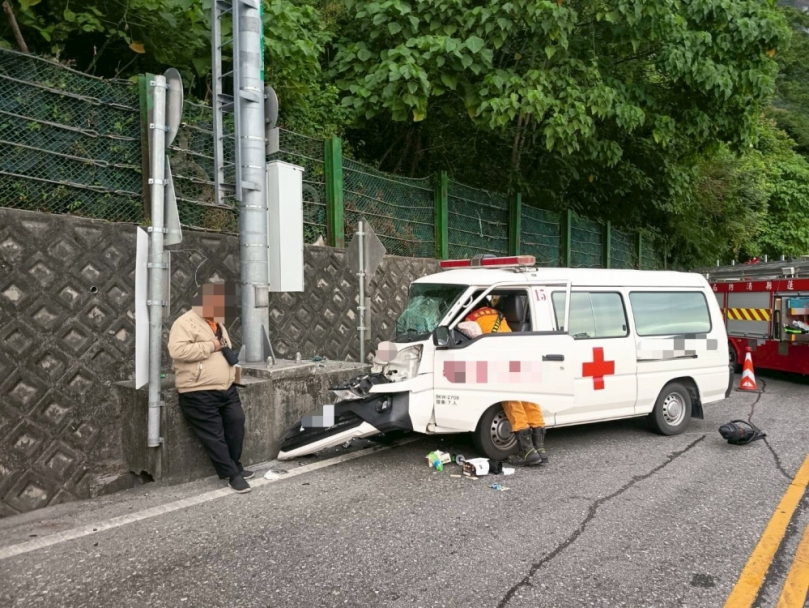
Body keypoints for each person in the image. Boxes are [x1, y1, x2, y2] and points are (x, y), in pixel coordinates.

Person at [168, 283, 253, 493]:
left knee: (236, 422)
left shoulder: (217, 323)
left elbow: (225, 349)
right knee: (213, 435)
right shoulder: (184, 323)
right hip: (197, 389)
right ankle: (232, 474)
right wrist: (211, 346)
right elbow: (177, 351)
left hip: (226, 387)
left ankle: (235, 464)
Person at [462, 298, 549, 466]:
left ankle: (528, 452)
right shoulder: (498, 314)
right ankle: (540, 449)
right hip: (519, 356)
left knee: (512, 402)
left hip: (501, 361)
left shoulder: (470, 320)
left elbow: (471, 344)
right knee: (529, 399)